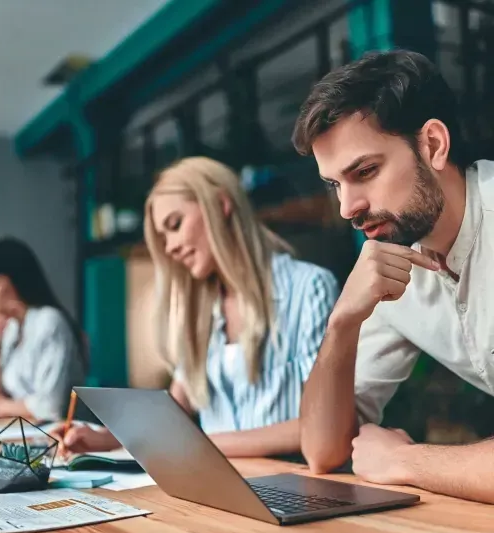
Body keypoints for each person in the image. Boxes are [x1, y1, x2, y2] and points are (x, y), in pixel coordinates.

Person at [293, 48, 494, 504]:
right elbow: (323, 452)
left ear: (434, 146)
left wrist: (404, 460)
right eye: (335, 185)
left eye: (364, 171)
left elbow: (380, 459)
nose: (347, 208)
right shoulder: (396, 259)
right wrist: (341, 323)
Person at [55, 156, 338, 458]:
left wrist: (200, 444)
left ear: (221, 205)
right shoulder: (201, 310)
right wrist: (104, 439)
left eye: (175, 225)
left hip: (290, 487)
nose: (170, 247)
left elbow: (322, 425)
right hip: (216, 488)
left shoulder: (310, 288)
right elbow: (174, 413)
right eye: (162, 237)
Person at [0, 237, 86, 421]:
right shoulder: (13, 328)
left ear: (15, 279)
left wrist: (2, 406)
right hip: (21, 431)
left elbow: (50, 406)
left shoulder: (49, 322)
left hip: (57, 436)